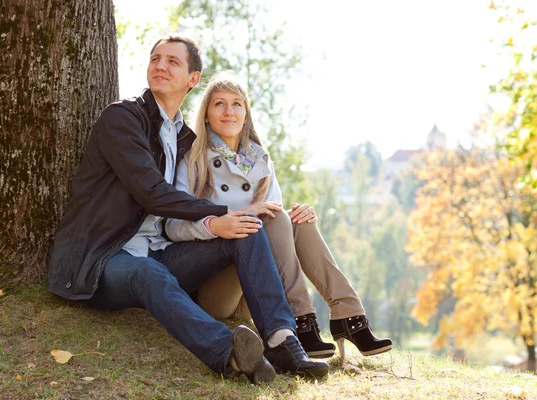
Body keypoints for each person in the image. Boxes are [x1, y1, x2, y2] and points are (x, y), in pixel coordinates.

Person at [47, 36, 329, 383]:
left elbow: (191, 205)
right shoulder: (122, 119)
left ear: (192, 80)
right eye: (156, 59)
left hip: (161, 253)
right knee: (147, 272)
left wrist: (235, 216)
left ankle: (282, 341)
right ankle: (230, 353)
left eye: (172, 62)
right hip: (103, 259)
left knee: (246, 227)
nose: (160, 66)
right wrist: (217, 214)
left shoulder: (183, 138)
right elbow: (153, 194)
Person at [165, 72, 393, 359]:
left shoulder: (259, 159)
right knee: (265, 222)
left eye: (236, 104)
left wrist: (300, 212)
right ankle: (301, 319)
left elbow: (277, 222)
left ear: (246, 113)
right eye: (219, 104)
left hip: (258, 292)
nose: (229, 112)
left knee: (297, 220)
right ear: (207, 115)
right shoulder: (193, 159)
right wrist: (231, 219)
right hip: (216, 290)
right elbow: (172, 226)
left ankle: (348, 314)